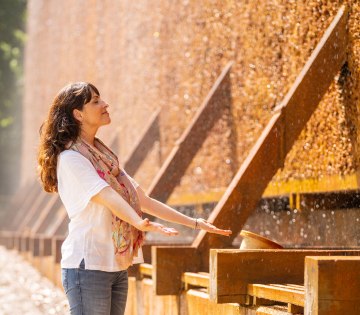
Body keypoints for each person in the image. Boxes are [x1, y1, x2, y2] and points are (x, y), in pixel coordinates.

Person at [37, 82, 232, 315]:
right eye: (96, 101)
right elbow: (106, 196)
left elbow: (145, 200)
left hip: (115, 264)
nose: (105, 104)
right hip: (87, 265)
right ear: (78, 114)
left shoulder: (105, 158)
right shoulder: (71, 159)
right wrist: (137, 222)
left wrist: (197, 224)